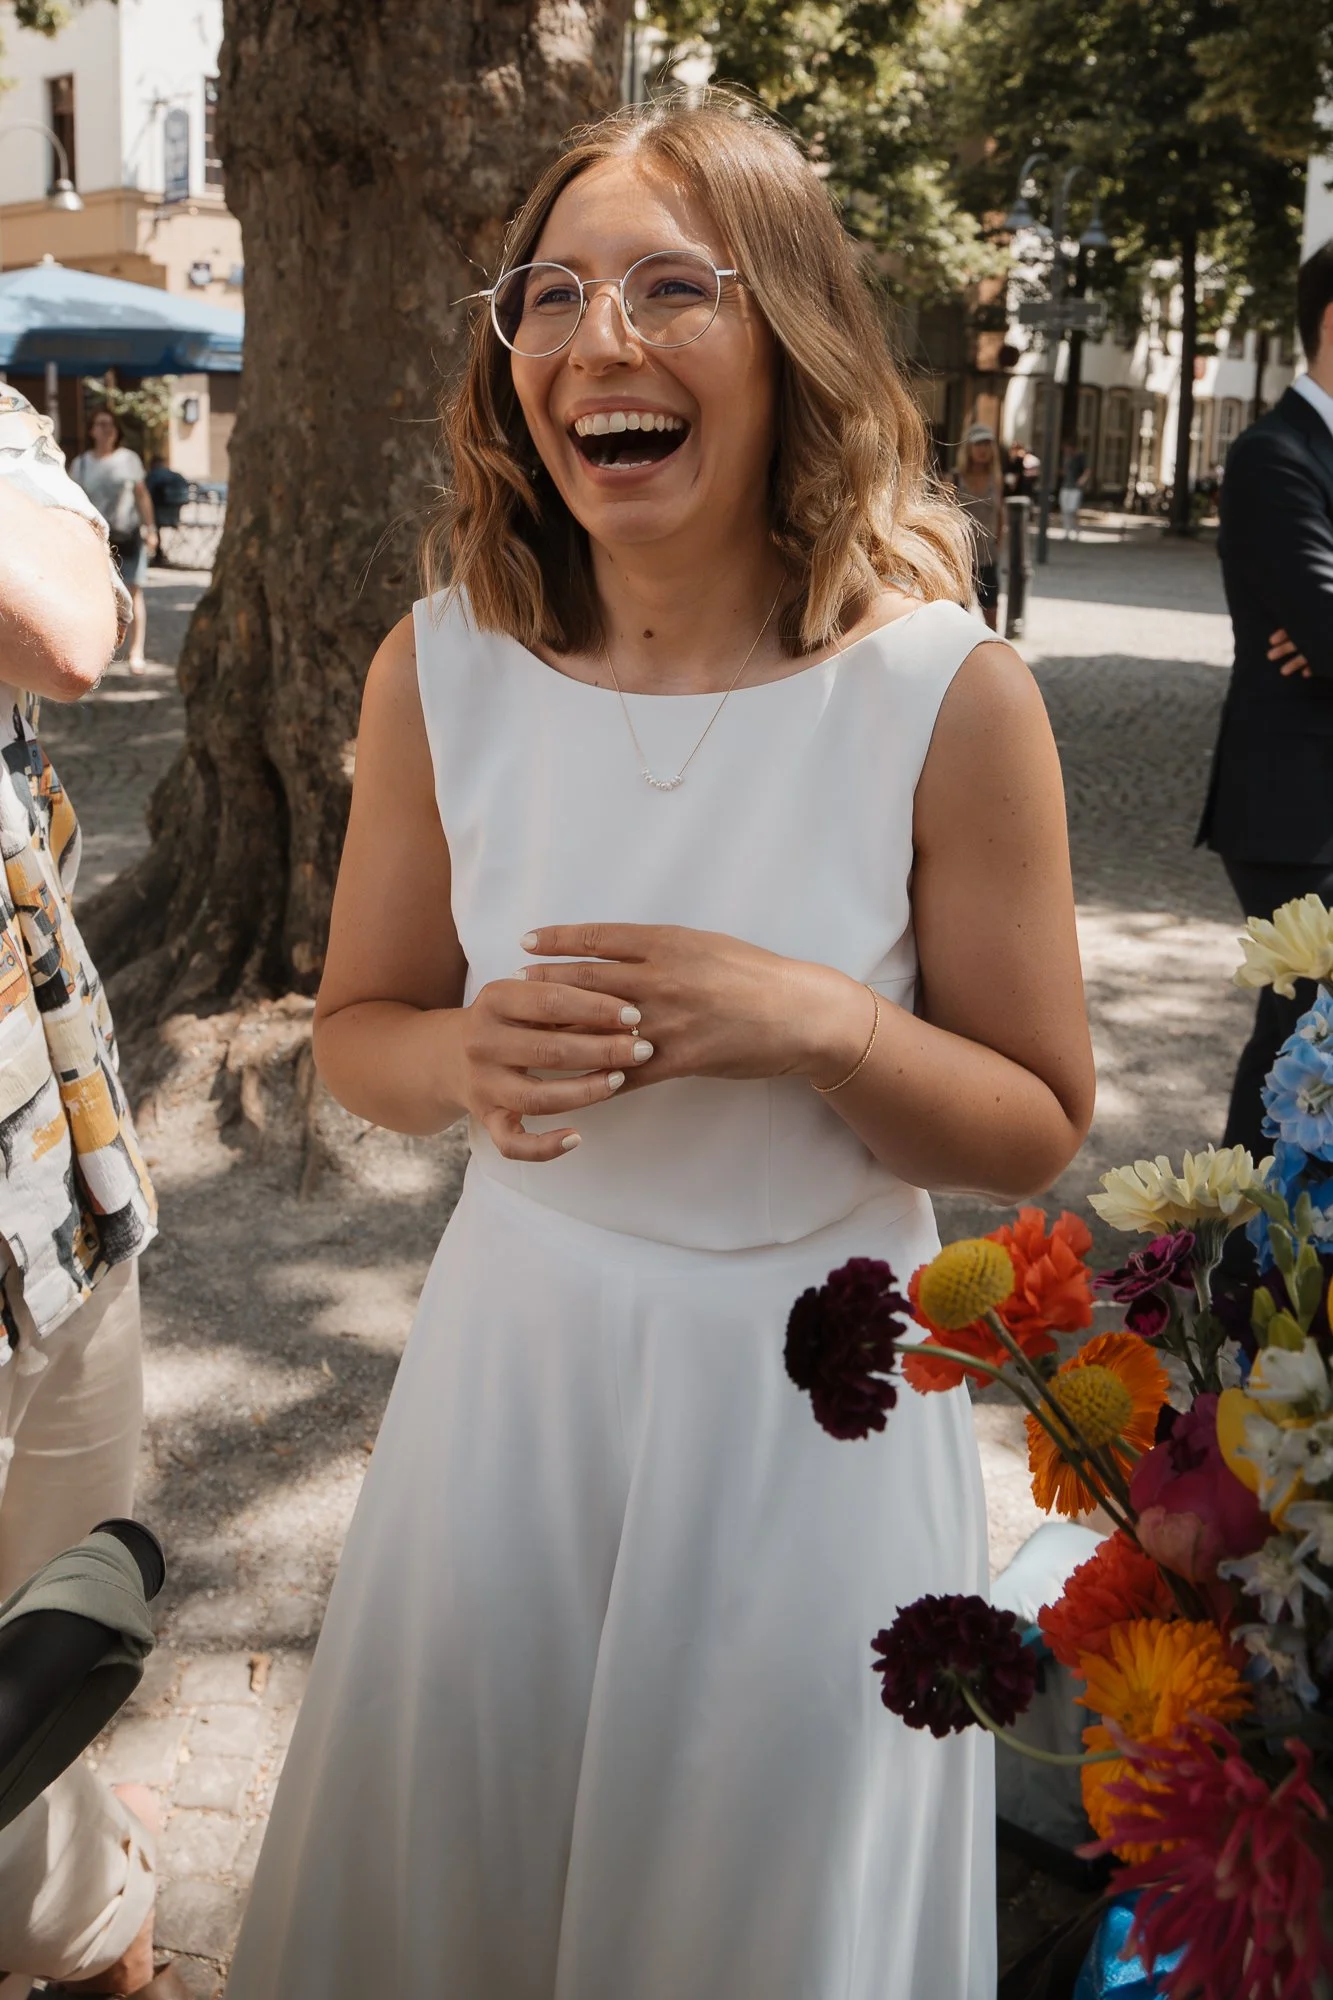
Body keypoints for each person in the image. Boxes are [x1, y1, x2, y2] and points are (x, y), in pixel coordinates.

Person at [227, 95, 1093, 1999]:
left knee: (750, 1911)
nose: (594, 340)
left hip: (816, 1411)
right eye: (548, 295)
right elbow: (358, 1032)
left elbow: (1035, 1125)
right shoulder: (438, 666)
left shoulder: (944, 695)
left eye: (667, 288)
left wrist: (822, 1024)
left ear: (788, 336)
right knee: (464, 1867)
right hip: (509, 1377)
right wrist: (458, 1062)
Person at [0, 389, 170, 1996]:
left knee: (54, 1618)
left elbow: (65, 629)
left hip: (44, 1172)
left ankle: (91, 1923)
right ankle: (99, 1936)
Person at [1200, 238, 1333, 1161]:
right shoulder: (1273, 455)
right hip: (1294, 813)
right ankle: (1247, 1260)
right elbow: (1322, 633)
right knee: (1304, 1022)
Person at [69, 413, 157, 674]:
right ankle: (96, 653)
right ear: (91, 430)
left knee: (133, 592)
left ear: (117, 431)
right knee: (95, 596)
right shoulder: (81, 464)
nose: (105, 429)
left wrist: (151, 528)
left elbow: (142, 495)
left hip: (128, 535)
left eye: (110, 425)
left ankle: (136, 651)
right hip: (95, 541)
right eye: (99, 424)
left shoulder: (129, 459)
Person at [952, 422, 1005, 631]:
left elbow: (1001, 512)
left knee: (991, 614)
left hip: (987, 556)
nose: (983, 450)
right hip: (960, 557)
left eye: (987, 444)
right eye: (978, 444)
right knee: (958, 617)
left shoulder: (995, 479)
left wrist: (1000, 540)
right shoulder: (955, 478)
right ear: (968, 448)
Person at [1057, 439, 1089, 538]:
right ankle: (1067, 530)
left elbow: (1087, 470)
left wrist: (1081, 480)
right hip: (1066, 486)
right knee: (1065, 509)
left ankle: (1076, 529)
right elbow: (1065, 471)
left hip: (1075, 488)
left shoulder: (1079, 457)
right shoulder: (1065, 458)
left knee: (1072, 510)